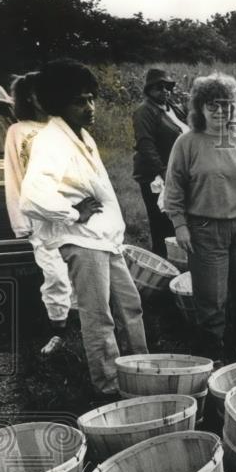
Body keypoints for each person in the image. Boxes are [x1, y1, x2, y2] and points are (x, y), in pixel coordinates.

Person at [20, 59, 148, 400]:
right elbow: (32, 196)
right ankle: (109, 387)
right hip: (82, 241)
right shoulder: (51, 140)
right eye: (79, 101)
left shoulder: (82, 135)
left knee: (129, 306)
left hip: (103, 239)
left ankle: (143, 371)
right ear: (59, 103)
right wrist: (71, 212)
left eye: (92, 98)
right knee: (98, 317)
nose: (89, 107)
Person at [162, 72, 236, 363]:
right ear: (200, 108)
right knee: (211, 298)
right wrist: (180, 225)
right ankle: (212, 351)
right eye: (212, 105)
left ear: (233, 107)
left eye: (225, 104)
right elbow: (174, 188)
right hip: (206, 229)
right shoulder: (188, 143)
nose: (220, 110)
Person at [3, 71, 76, 356]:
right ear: (28, 97)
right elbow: (14, 176)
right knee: (55, 272)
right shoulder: (18, 132)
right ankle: (59, 330)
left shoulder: (62, 127)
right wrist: (21, 222)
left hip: (72, 212)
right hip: (40, 217)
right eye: (37, 92)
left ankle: (84, 325)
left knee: (80, 269)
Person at [131, 68, 189, 257]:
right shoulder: (144, 111)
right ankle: (162, 260)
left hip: (176, 170)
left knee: (177, 218)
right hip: (156, 174)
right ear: (149, 90)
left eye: (168, 87)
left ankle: (178, 257)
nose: (165, 91)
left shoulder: (173, 107)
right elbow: (146, 145)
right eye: (159, 87)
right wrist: (164, 172)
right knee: (161, 222)